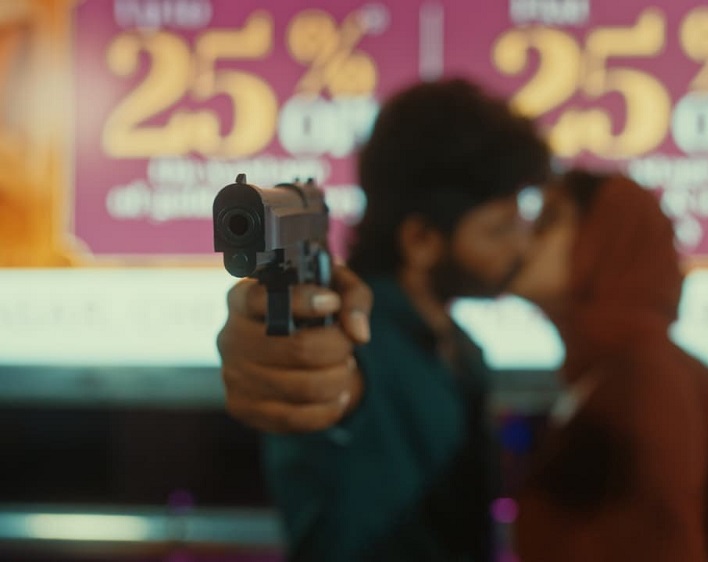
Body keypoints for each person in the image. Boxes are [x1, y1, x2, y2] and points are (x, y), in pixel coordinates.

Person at [216, 77, 551, 561]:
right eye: (498, 229)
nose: (521, 245)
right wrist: (286, 351)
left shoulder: (461, 349)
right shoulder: (359, 336)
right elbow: (329, 374)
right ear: (421, 240)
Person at [508, 169, 708, 561]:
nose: (521, 242)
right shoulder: (619, 371)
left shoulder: (646, 382)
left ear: (608, 239)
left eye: (547, 222)